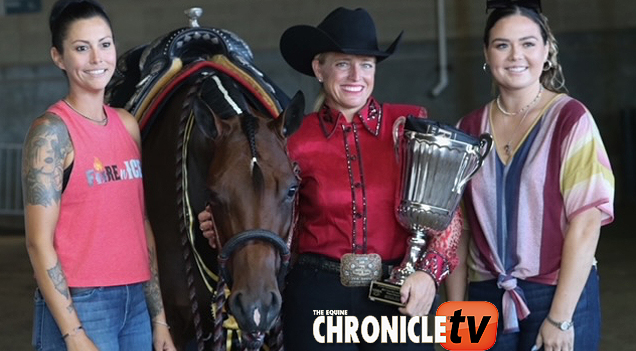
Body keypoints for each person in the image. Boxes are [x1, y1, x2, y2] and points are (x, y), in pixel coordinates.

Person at [199, 7, 462, 350]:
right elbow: (269, 208)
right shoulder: (290, 140)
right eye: (342, 64)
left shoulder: (409, 125)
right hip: (318, 295)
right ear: (318, 69)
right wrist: (223, 225)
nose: (356, 75)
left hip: (397, 294)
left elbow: (448, 213)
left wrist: (428, 274)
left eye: (366, 64)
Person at [446, 1, 615, 350]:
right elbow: (458, 230)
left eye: (527, 43)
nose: (515, 56)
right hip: (483, 295)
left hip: (557, 293)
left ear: (547, 50)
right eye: (502, 45)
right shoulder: (468, 130)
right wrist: (456, 309)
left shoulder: (571, 119)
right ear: (486, 53)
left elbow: (586, 224)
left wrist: (560, 317)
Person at [21, 1, 176, 350]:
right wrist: (74, 334)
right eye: (81, 48)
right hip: (81, 303)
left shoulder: (127, 124)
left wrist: (159, 317)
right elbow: (38, 242)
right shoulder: (51, 133)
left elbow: (141, 223)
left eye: (104, 44)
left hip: (135, 302)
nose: (97, 59)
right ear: (58, 57)